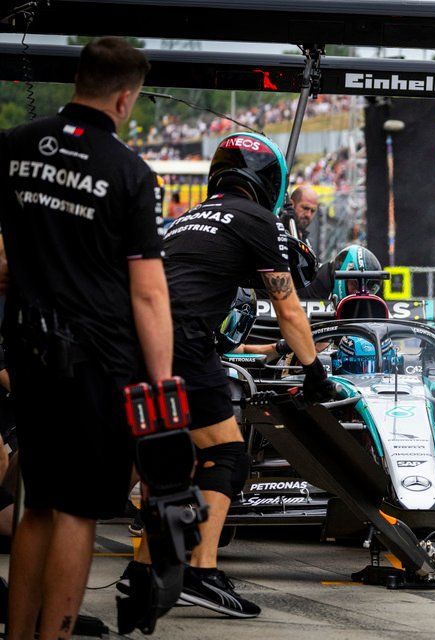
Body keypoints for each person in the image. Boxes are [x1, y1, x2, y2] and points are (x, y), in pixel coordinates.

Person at [0, 38, 172, 639]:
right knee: (76, 508)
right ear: (126, 97)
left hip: (25, 349)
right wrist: (162, 384)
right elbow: (149, 294)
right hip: (96, 361)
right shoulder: (131, 173)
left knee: (39, 500)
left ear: (80, 78)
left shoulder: (17, 147)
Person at [123, 132, 335, 618]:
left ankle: (144, 572)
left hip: (138, 345)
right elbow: (288, 305)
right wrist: (314, 371)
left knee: (168, 461)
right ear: (268, 181)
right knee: (225, 454)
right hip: (184, 342)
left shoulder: (181, 221)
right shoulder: (258, 218)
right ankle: (200, 571)